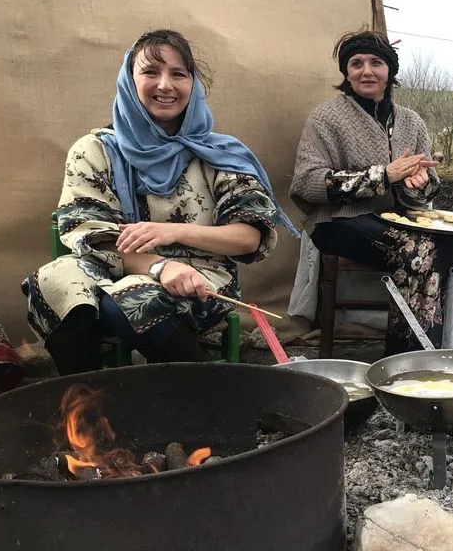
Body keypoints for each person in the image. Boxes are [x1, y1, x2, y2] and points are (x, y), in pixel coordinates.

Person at [23, 29, 298, 375]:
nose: (165, 85)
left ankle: (212, 400)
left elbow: (248, 237)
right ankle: (90, 410)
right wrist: (158, 265)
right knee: (53, 280)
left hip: (200, 276)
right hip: (109, 267)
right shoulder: (95, 151)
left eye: (178, 74)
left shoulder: (220, 155)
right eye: (151, 72)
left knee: (131, 300)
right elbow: (87, 231)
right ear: (129, 80)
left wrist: (172, 232)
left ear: (193, 84)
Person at [289, 30, 453, 355]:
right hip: (338, 222)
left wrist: (418, 182)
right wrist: (382, 176)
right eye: (356, 63)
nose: (366, 71)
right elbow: (308, 182)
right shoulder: (326, 118)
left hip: (400, 219)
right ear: (346, 72)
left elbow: (426, 186)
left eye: (376, 62)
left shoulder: (411, 122)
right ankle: (410, 359)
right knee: (422, 250)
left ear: (390, 71)